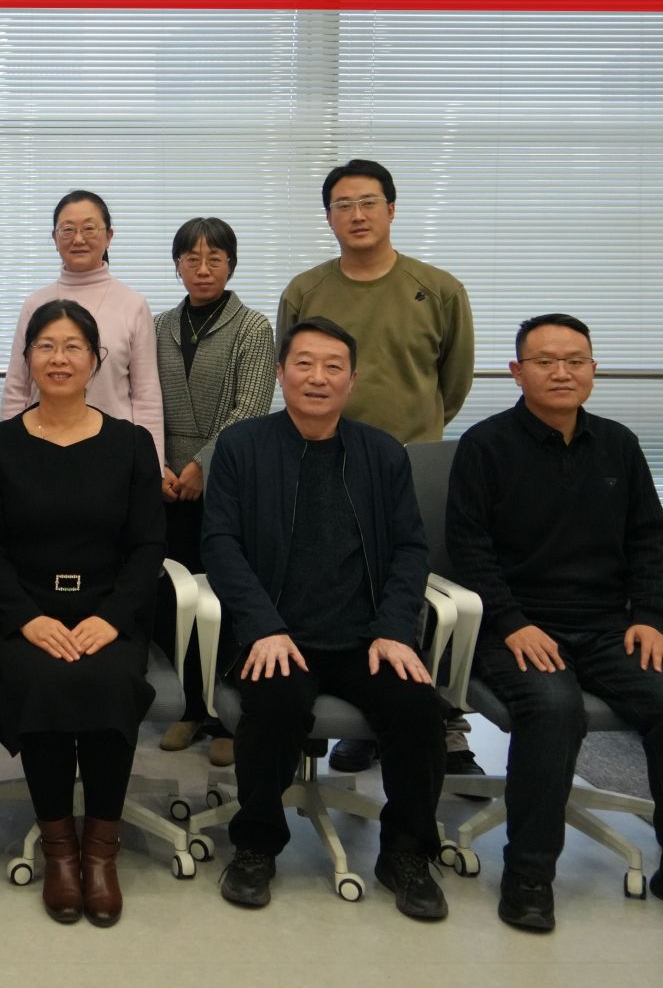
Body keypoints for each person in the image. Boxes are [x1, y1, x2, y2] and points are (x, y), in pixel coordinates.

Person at [447, 313, 663, 938]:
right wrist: (511, 622)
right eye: (544, 361)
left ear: (593, 369)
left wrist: (649, 617)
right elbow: (469, 549)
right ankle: (529, 875)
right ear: (516, 372)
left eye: (575, 360)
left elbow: (648, 539)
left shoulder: (618, 444)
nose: (561, 372)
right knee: (554, 708)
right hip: (517, 629)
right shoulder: (485, 446)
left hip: (610, 628)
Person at [201, 317, 449, 922]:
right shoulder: (241, 447)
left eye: (333, 366)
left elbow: (410, 549)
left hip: (366, 638)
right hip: (276, 634)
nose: (318, 377)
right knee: (276, 703)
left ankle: (407, 854)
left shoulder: (382, 454)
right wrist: (262, 626)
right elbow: (220, 545)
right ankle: (257, 846)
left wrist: (395, 629)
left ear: (352, 379)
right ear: (281, 373)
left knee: (418, 708)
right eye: (304, 364)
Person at [0, 300, 165, 928]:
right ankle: (59, 850)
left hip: (108, 612)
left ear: (96, 360)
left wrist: (113, 617)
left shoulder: (131, 444)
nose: (58, 358)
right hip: (26, 613)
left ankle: (100, 852)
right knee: (44, 678)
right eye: (45, 346)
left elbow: (148, 546)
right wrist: (26, 618)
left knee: (108, 679)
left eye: (72, 346)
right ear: (27, 359)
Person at [276, 159, 477, 776]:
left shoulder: (437, 288)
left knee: (414, 588)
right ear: (328, 216)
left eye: (368, 202)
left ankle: (443, 724)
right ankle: (360, 722)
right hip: (324, 463)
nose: (356, 215)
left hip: (409, 462)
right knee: (339, 589)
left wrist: (411, 435)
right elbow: (296, 372)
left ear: (391, 208)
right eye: (343, 205)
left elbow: (454, 383)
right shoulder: (306, 290)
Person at [152, 217, 275, 761]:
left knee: (227, 594)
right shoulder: (157, 325)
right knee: (174, 596)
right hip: (166, 482)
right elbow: (143, 399)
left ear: (231, 264)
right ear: (177, 264)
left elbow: (251, 408)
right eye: (191, 259)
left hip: (228, 478)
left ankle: (230, 714)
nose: (202, 269)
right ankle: (191, 706)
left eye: (215, 259)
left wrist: (202, 464)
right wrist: (160, 464)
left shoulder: (253, 327)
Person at [0, 190, 166, 468]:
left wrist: (153, 465)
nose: (78, 239)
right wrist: (7, 454)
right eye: (67, 230)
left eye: (89, 228)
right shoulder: (35, 304)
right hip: (40, 446)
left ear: (109, 236)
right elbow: (17, 387)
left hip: (115, 452)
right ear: (55, 239)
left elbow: (146, 393)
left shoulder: (133, 304)